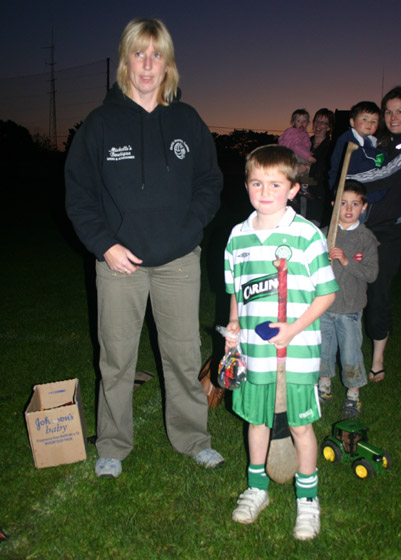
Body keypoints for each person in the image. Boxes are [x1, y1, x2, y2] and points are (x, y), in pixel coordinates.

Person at [65, 18, 224, 478]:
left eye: (157, 55)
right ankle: (113, 444)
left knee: (184, 355)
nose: (148, 64)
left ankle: (193, 438)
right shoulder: (99, 125)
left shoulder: (187, 120)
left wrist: (188, 229)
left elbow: (210, 183)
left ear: (168, 64)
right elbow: (78, 195)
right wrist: (104, 244)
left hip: (178, 261)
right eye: (139, 53)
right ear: (126, 61)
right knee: (116, 358)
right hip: (119, 264)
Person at [224, 145, 338, 540]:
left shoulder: (306, 235)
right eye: (257, 183)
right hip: (255, 352)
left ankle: (308, 501)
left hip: (299, 353)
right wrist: (234, 329)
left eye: (275, 184)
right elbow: (236, 290)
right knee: (257, 421)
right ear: (246, 186)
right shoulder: (237, 237)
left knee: (300, 426)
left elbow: (326, 294)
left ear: (292, 189)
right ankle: (257, 489)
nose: (265, 191)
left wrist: (292, 330)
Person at [347, 86, 401, 381]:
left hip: (387, 233)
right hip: (359, 227)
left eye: (400, 111)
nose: (393, 117)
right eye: (388, 111)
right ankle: (347, 352)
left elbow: (388, 174)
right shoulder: (378, 143)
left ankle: (378, 358)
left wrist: (345, 179)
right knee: (348, 291)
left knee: (378, 295)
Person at [319, 180, 379, 418]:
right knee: (323, 349)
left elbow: (372, 274)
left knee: (350, 353)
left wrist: (346, 261)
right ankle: (323, 388)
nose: (348, 209)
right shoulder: (325, 234)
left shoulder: (366, 238)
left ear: (363, 207)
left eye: (355, 204)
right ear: (334, 205)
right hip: (323, 307)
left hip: (350, 309)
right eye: (343, 203)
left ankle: (353, 396)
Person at [328, 101, 385, 191]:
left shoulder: (374, 144)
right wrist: (376, 164)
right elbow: (354, 166)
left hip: (362, 188)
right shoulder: (348, 140)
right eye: (364, 119)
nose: (369, 123)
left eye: (374, 121)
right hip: (347, 189)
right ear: (352, 122)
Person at [302, 108, 335, 227]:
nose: (318, 125)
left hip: (317, 197)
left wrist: (309, 169)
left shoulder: (332, 147)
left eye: (323, 122)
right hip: (298, 195)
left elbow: (327, 171)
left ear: (329, 127)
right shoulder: (303, 143)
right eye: (316, 121)